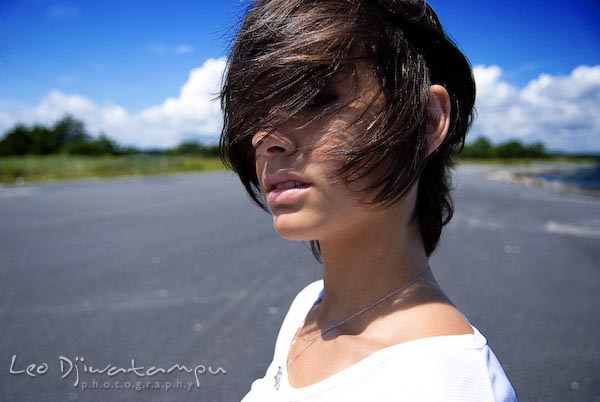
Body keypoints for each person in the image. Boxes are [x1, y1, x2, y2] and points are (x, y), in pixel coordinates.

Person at [220, 0, 518, 400]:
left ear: (426, 120)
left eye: (318, 97)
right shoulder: (310, 308)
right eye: (257, 112)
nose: (266, 137)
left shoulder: (452, 385)